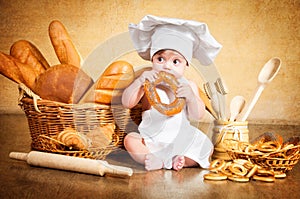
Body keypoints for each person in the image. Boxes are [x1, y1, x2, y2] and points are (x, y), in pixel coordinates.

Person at [122, 15, 222, 171]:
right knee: (130, 140)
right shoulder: (148, 83)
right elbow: (127, 102)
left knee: (206, 147)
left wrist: (190, 97)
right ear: (152, 60)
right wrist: (139, 82)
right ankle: (157, 159)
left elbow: (198, 115)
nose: (167, 66)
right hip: (152, 139)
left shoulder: (189, 86)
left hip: (181, 138)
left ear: (186, 65)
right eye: (160, 59)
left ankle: (172, 160)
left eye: (175, 61)